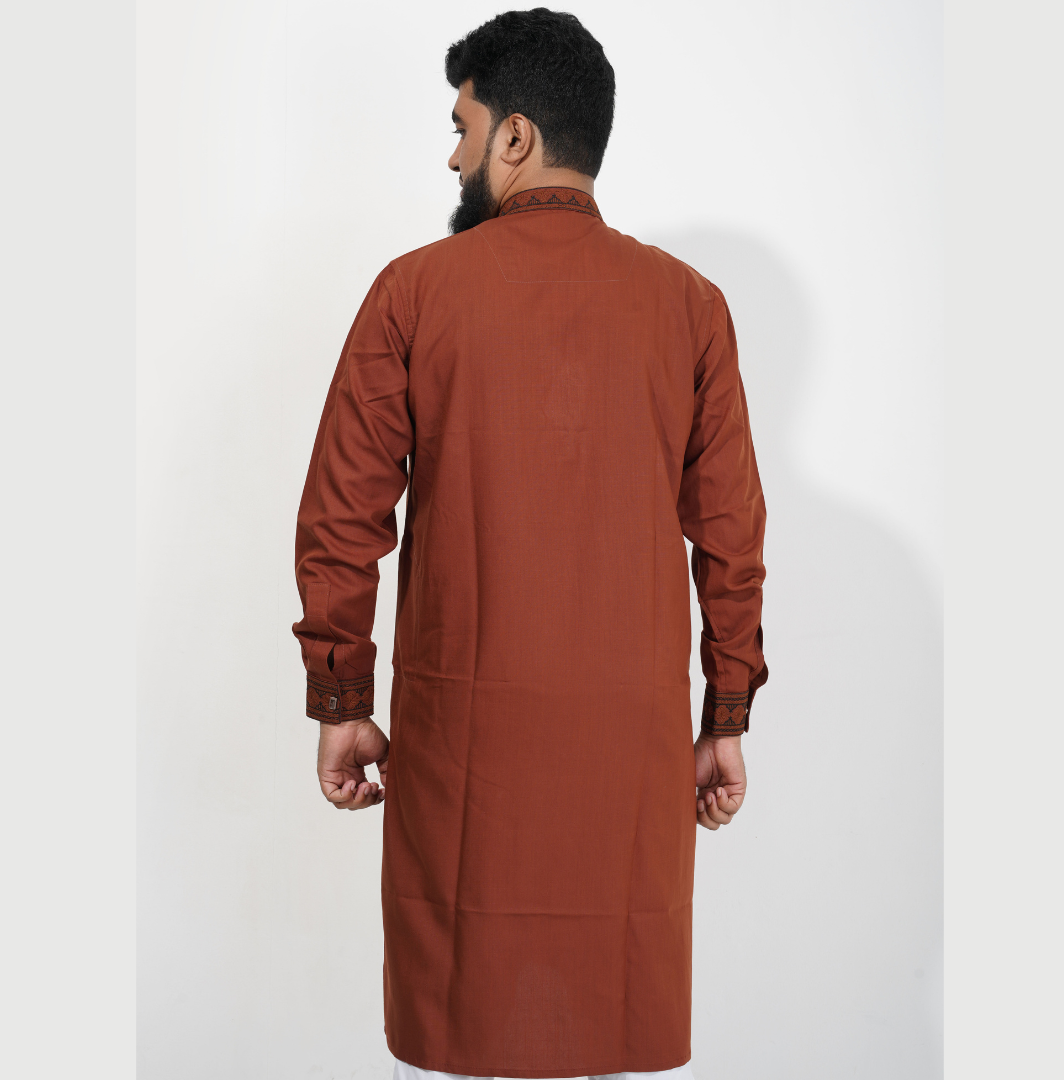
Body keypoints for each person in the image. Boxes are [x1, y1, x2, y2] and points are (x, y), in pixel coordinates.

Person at [291, 9, 767, 1080]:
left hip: (466, 758)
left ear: (515, 137)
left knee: (468, 1025)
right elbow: (732, 537)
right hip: (628, 759)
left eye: (462, 128)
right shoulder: (692, 308)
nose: (452, 155)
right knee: (603, 1020)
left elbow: (341, 518)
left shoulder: (414, 292)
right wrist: (725, 716)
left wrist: (342, 701)